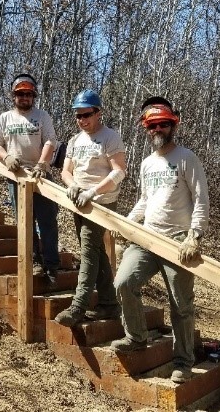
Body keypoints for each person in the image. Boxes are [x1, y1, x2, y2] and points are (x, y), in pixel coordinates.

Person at [111, 96, 209, 385]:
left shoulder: (186, 158)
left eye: (163, 125)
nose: (158, 130)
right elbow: (144, 201)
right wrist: (127, 223)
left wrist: (195, 235)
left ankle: (183, 361)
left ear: (172, 126)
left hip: (178, 241)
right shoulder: (146, 164)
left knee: (181, 304)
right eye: (153, 125)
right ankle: (136, 337)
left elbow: (201, 200)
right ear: (146, 128)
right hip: (146, 238)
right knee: (124, 283)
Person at [54, 89, 126, 327]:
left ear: (98, 113)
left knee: (87, 251)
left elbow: (119, 171)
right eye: (78, 115)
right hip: (79, 202)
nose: (82, 120)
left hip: (101, 202)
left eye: (87, 114)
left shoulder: (110, 137)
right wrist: (73, 185)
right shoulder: (75, 140)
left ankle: (78, 307)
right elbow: (66, 170)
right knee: (94, 251)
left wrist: (93, 192)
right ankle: (109, 304)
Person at [0, 73, 60, 283]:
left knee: (47, 222)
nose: (24, 98)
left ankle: (52, 265)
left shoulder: (42, 116)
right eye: (20, 94)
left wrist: (42, 163)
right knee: (25, 222)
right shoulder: (5, 118)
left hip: (40, 176)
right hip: (17, 176)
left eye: (28, 94)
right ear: (14, 96)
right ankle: (34, 261)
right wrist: (7, 157)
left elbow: (50, 141)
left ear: (34, 96)